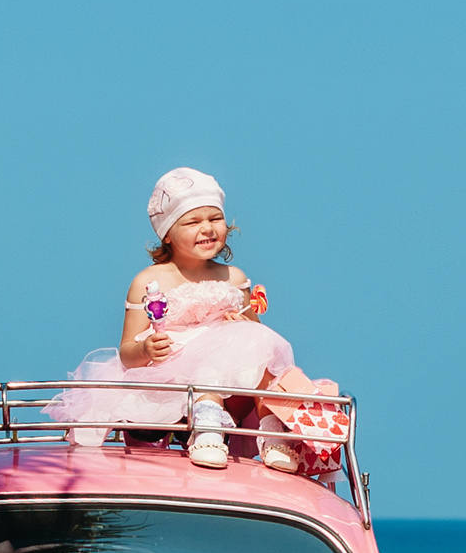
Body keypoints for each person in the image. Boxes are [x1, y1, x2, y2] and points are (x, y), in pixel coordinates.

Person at [46, 169, 299, 469]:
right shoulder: (149, 281)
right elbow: (127, 351)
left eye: (214, 218)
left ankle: (274, 437)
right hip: (171, 379)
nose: (206, 228)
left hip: (233, 390)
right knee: (207, 361)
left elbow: (257, 339)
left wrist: (244, 326)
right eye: (192, 222)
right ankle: (207, 432)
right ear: (166, 233)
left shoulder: (234, 278)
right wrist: (145, 349)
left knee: (262, 345)